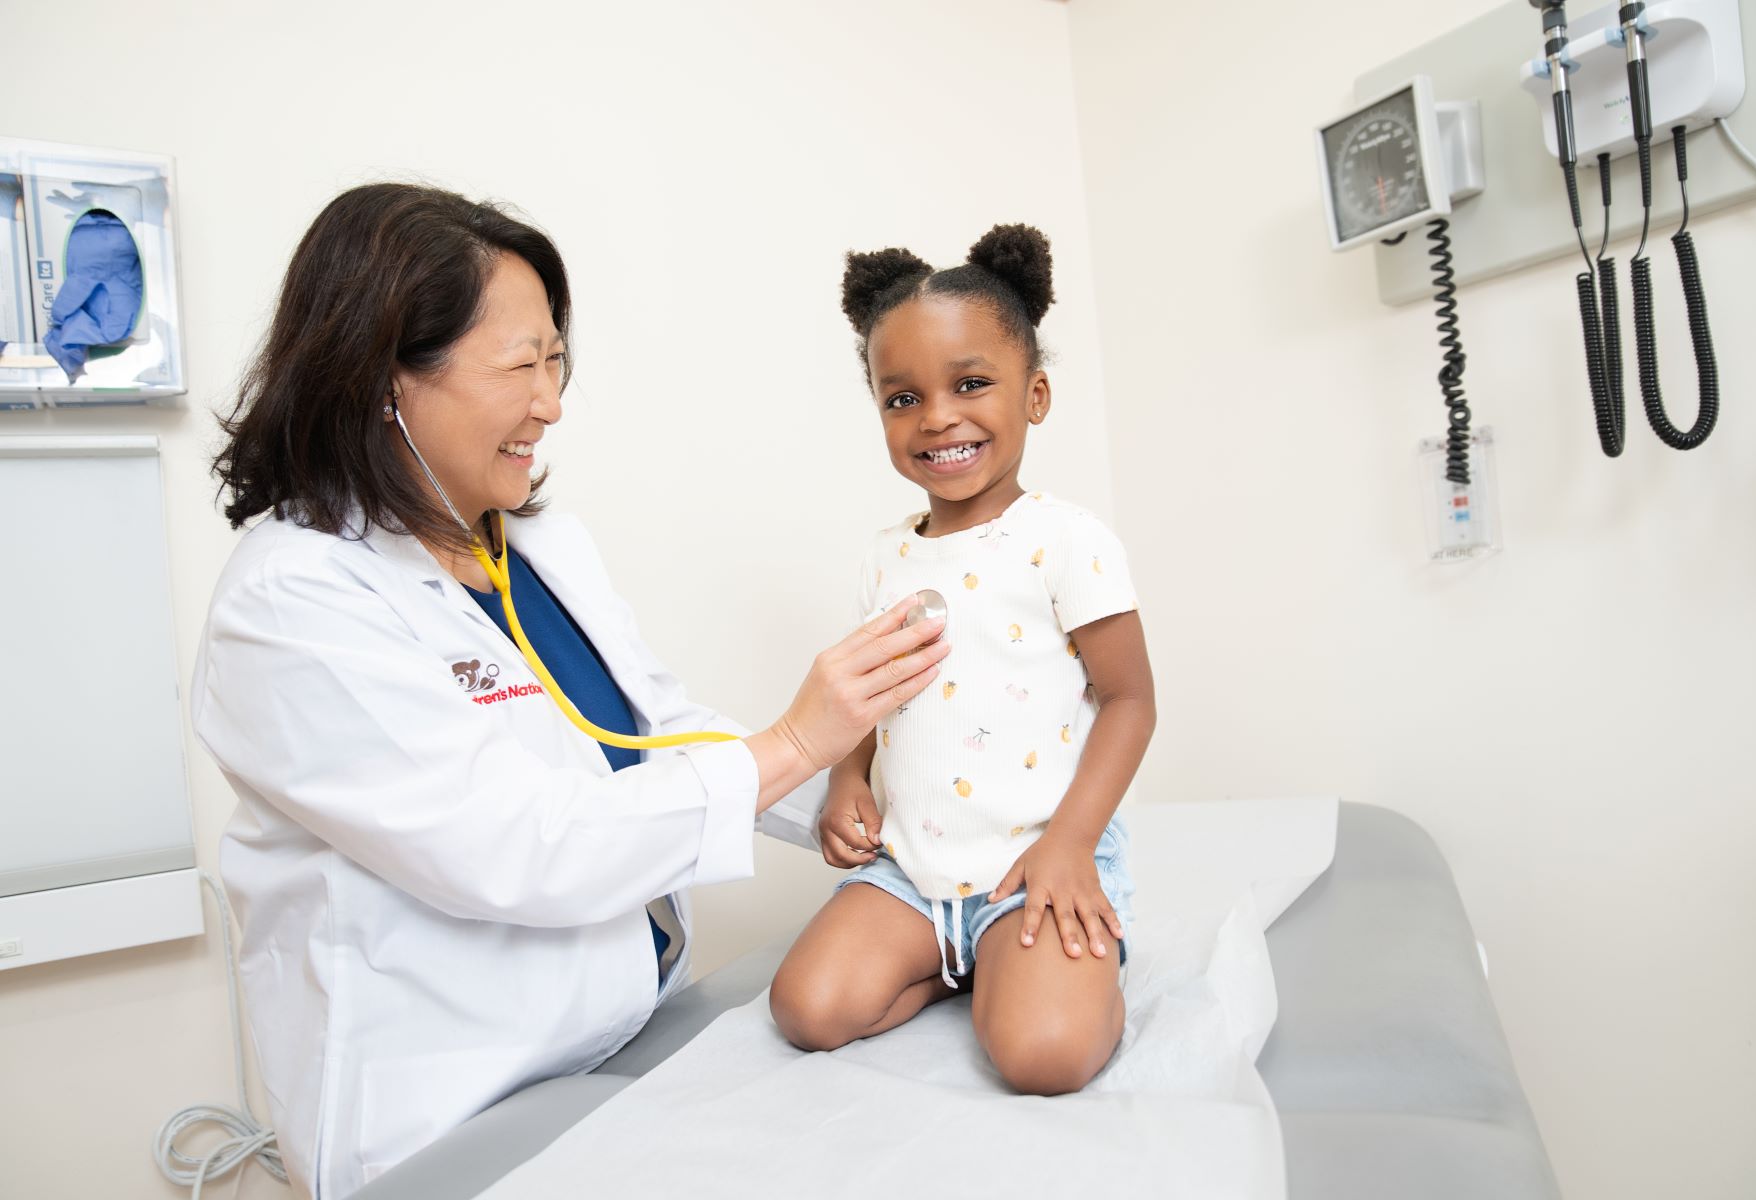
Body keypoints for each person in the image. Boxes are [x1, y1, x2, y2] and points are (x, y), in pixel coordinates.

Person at [191, 182, 949, 1198]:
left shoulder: (534, 543)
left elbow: (654, 729)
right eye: (520, 366)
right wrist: (799, 744)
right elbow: (522, 845)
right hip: (443, 1114)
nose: (551, 403)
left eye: (556, 362)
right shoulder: (292, 603)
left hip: (623, 1046)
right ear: (384, 379)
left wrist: (849, 807)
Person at [769, 224, 1156, 1095]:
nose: (937, 416)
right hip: (914, 869)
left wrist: (1071, 845)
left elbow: (1131, 702)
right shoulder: (883, 556)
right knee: (808, 1010)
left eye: (971, 383)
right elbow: (870, 693)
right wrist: (846, 781)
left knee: (1041, 1057)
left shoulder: (1068, 540)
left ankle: (1026, 961)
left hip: (1035, 861)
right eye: (902, 398)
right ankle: (962, 961)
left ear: (1036, 395)